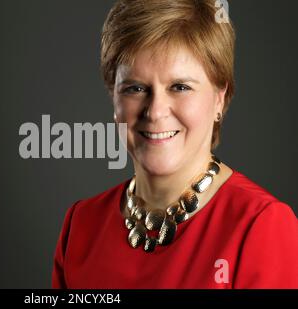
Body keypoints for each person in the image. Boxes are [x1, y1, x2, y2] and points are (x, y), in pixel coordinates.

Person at [51, 0, 298, 289]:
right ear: (113, 97)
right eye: (135, 88)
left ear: (220, 97)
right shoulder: (81, 224)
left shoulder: (262, 226)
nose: (155, 111)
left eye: (180, 87)